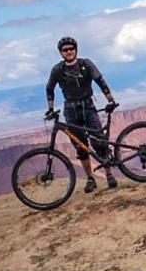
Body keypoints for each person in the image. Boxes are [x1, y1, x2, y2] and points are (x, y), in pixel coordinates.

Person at [45, 36, 119, 193]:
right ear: (61, 53)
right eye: (65, 50)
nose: (69, 52)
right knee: (80, 147)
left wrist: (110, 99)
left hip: (88, 107)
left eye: (71, 48)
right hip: (71, 111)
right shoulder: (57, 70)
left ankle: (109, 175)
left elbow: (100, 81)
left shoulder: (86, 64)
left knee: (99, 142)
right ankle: (90, 179)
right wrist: (50, 108)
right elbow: (49, 88)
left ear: (76, 49)